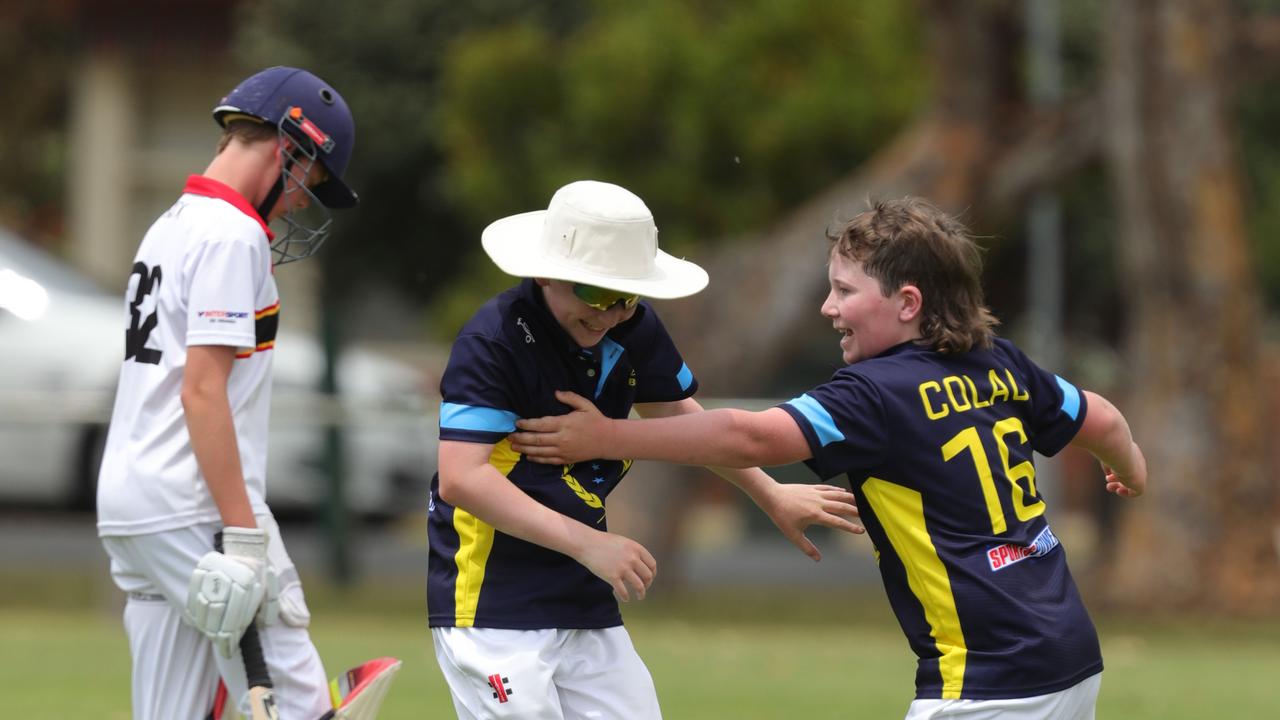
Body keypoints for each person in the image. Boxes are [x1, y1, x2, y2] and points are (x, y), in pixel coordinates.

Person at [511, 197, 1148, 719]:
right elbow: (1105, 418)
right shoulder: (1001, 363)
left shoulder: (875, 393)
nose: (828, 308)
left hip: (989, 677)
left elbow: (751, 437)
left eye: (843, 290)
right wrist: (1128, 465)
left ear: (907, 303)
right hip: (1069, 656)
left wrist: (607, 438)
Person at [427, 179, 863, 719]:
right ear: (544, 272)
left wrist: (769, 493)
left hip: (581, 593)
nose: (609, 313)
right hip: (490, 604)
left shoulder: (633, 328)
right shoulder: (492, 342)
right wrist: (590, 544)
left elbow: (680, 420)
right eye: (594, 293)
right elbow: (461, 479)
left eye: (626, 296)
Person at [96, 66, 358, 720]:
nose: (303, 201)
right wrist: (244, 535)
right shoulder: (232, 234)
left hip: (131, 505)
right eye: (311, 181)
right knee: (299, 705)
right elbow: (203, 392)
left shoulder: (171, 222)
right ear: (288, 149)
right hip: (193, 503)